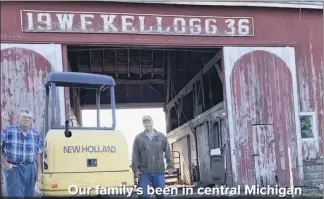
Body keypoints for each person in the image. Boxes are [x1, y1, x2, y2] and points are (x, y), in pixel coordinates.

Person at [0, 108, 44, 197]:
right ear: (18, 118)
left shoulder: (36, 134)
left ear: (32, 120)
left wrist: (39, 171)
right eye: (24, 116)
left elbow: (38, 153)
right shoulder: (8, 131)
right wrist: (5, 163)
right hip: (14, 168)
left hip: (30, 169)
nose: (27, 119)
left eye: (29, 117)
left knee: (30, 196)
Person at [132, 115, 174, 199]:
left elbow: (168, 152)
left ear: (152, 122)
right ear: (143, 124)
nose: (147, 124)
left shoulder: (161, 136)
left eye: (149, 122)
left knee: (161, 195)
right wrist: (135, 169)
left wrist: (170, 166)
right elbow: (135, 154)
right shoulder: (139, 138)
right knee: (143, 195)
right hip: (144, 172)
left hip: (158, 171)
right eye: (145, 123)